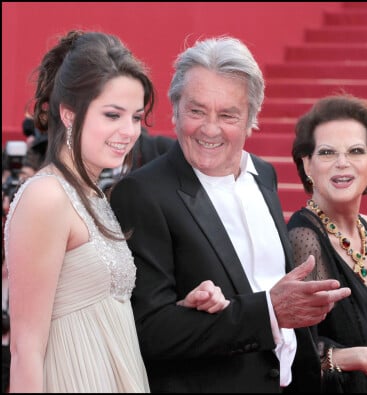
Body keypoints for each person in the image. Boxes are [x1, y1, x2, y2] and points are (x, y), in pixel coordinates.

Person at [109, 35, 351, 393]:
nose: (209, 129)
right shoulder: (142, 193)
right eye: (196, 111)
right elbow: (147, 331)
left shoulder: (264, 176)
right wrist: (269, 311)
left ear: (251, 120)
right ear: (175, 110)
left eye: (227, 115)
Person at [3, 30, 228, 393]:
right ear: (69, 114)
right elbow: (25, 347)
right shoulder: (47, 197)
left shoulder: (93, 194)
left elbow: (102, 307)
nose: (128, 131)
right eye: (112, 115)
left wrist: (184, 305)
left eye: (136, 117)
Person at [287, 94, 367, 393]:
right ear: (308, 165)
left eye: (355, 151)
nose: (342, 163)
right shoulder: (305, 239)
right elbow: (295, 353)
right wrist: (360, 357)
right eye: (327, 153)